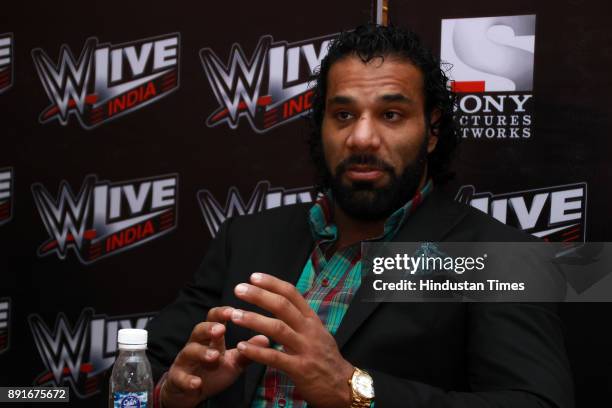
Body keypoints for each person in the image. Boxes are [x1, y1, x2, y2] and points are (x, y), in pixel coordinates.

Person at [145, 24, 573, 408]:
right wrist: (171, 393)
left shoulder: (496, 257)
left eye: (391, 115)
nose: (362, 137)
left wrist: (354, 389)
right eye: (344, 115)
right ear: (322, 126)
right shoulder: (248, 237)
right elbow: (139, 371)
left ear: (432, 131)